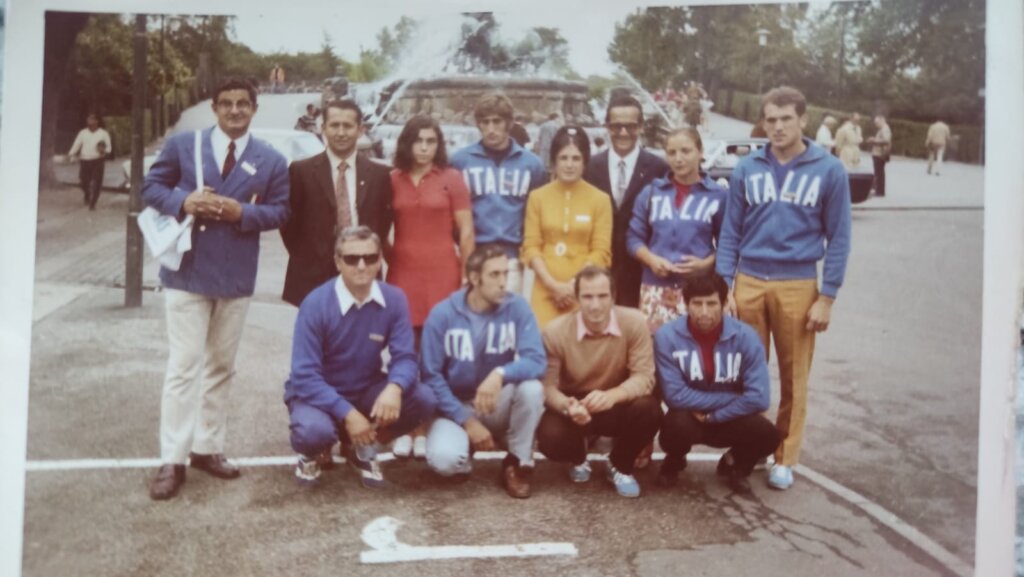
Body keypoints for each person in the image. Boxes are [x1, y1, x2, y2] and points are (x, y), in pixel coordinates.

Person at [143, 79, 291, 500]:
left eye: (243, 103)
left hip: (235, 275)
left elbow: (281, 211)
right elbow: (150, 187)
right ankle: (172, 458)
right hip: (187, 273)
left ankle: (207, 447)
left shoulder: (270, 159)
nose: (234, 110)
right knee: (183, 366)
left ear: (254, 108)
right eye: (226, 103)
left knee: (221, 366)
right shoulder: (183, 145)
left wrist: (241, 212)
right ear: (214, 107)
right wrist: (184, 202)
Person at [715, 86, 852, 491]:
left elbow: (839, 237)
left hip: (798, 282)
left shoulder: (828, 169)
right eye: (770, 119)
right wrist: (725, 286)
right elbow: (730, 232)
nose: (777, 127)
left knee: (795, 376)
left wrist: (827, 297)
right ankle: (750, 446)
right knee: (746, 373)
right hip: (749, 281)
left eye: (786, 119)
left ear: (803, 120)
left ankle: (785, 455)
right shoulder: (747, 167)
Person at [284, 226, 438, 489]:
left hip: (364, 388)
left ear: (380, 260)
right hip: (317, 394)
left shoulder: (394, 299)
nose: (362, 265)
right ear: (338, 262)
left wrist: (394, 388)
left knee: (423, 399)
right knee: (314, 432)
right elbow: (304, 376)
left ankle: (363, 446)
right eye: (352, 259)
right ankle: (310, 453)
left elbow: (405, 357)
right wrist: (348, 413)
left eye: (370, 257)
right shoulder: (315, 303)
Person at [420, 245, 547, 498]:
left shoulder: (517, 307)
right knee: (445, 461)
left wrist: (500, 374)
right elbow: (430, 376)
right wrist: (467, 421)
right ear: (474, 278)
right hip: (455, 406)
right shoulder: (443, 314)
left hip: (494, 402)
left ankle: (518, 462)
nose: (503, 283)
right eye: (494, 275)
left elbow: (536, 360)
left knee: (532, 389)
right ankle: (465, 447)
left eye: (506, 273)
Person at [386, 114, 474, 459]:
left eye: (431, 141)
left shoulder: (452, 178)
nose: (424, 148)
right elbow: (381, 229)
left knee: (433, 356)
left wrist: (466, 276)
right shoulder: (392, 179)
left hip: (443, 276)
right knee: (404, 352)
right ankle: (406, 426)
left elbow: (466, 232)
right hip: (403, 276)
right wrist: (394, 257)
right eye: (418, 141)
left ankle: (425, 428)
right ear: (407, 144)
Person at [536, 266, 661, 498]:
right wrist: (567, 406)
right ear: (577, 298)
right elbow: (547, 386)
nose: (595, 305)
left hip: (615, 400)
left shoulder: (634, 322)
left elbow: (644, 377)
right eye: (588, 297)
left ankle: (620, 464)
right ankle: (578, 457)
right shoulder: (555, 332)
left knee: (650, 410)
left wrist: (612, 396)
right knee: (549, 437)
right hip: (576, 403)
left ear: (613, 297)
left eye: (602, 296)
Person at [654, 272, 780, 494]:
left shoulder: (746, 337)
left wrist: (715, 416)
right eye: (697, 303)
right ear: (686, 304)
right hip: (690, 415)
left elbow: (759, 398)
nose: (704, 312)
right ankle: (675, 459)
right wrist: (734, 397)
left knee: (769, 435)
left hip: (731, 416)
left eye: (711, 304)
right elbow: (675, 395)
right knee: (674, 426)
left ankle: (736, 465)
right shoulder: (667, 336)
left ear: (724, 304)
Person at [280, 99, 393, 307]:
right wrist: (309, 256)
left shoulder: (380, 175)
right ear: (323, 128)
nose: (341, 132)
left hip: (362, 270)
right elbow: (289, 225)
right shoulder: (301, 171)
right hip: (312, 277)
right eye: (334, 125)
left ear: (360, 130)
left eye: (347, 126)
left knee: (361, 327)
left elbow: (382, 223)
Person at [627, 127, 727, 333]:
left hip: (699, 290)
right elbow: (633, 238)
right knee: (656, 346)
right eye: (671, 153)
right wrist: (651, 259)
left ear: (700, 152)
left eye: (685, 151)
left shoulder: (717, 195)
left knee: (695, 346)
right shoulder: (652, 192)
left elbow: (729, 242)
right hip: (655, 288)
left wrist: (706, 264)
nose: (678, 159)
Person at [450, 93, 547, 296]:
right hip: (474, 254)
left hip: (511, 258)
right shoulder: (460, 161)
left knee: (508, 312)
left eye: (497, 122)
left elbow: (537, 214)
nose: (491, 129)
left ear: (509, 123)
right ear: (478, 124)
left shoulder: (532, 164)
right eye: (485, 122)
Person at [583, 94, 669, 309]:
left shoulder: (659, 169)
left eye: (630, 126)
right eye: (616, 126)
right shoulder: (590, 167)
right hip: (599, 270)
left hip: (643, 271)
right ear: (607, 127)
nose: (623, 132)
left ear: (641, 127)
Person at [522, 126, 612, 328]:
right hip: (545, 289)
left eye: (576, 158)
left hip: (583, 292)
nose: (569, 165)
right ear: (554, 161)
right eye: (563, 158)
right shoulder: (537, 197)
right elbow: (531, 246)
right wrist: (553, 285)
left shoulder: (600, 200)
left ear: (585, 162)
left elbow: (601, 251)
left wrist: (574, 286)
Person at [67, 113, 112, 210]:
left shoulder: (103, 133)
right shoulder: (83, 133)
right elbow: (77, 144)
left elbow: (109, 148)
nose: (89, 121)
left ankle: (93, 204)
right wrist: (71, 154)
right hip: (85, 160)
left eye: (92, 119)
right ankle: (87, 194)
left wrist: (103, 151)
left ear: (97, 121)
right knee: (83, 182)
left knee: (97, 182)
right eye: (88, 119)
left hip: (98, 160)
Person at [867, 115, 892, 197]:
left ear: (882, 120)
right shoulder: (882, 129)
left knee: (879, 173)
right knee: (879, 172)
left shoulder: (885, 129)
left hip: (879, 154)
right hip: (878, 153)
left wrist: (874, 140)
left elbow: (886, 140)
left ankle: (879, 191)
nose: (876, 125)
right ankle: (879, 190)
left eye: (877, 123)